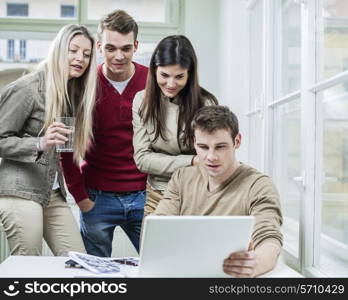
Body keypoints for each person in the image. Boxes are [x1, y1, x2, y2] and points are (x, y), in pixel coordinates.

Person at [0, 24, 97, 256]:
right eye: (73, 51)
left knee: (77, 261)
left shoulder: (71, 95)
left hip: (51, 193)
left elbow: (66, 154)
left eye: (86, 54)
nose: (79, 58)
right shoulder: (28, 88)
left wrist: (80, 194)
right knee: (29, 266)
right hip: (19, 190)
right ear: (59, 49)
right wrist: (39, 143)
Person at [153, 105, 283, 277]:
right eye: (203, 147)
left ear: (237, 141)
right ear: (194, 143)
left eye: (220, 146)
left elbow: (269, 238)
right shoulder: (181, 177)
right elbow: (160, 227)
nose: (211, 157)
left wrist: (255, 262)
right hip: (183, 272)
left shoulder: (259, 185)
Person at [61, 10, 148, 257]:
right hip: (96, 199)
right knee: (95, 277)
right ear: (99, 47)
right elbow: (65, 147)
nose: (118, 56)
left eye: (126, 48)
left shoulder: (153, 81)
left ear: (136, 46)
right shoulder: (81, 84)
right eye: (110, 48)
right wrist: (79, 197)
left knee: (160, 269)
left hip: (145, 197)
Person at [132, 35, 218, 217]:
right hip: (157, 195)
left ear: (190, 74)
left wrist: (162, 160)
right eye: (164, 75)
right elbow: (142, 159)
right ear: (154, 70)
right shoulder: (141, 101)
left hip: (197, 193)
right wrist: (191, 161)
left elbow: (211, 157)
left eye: (179, 76)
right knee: (154, 245)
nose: (171, 84)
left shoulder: (206, 103)